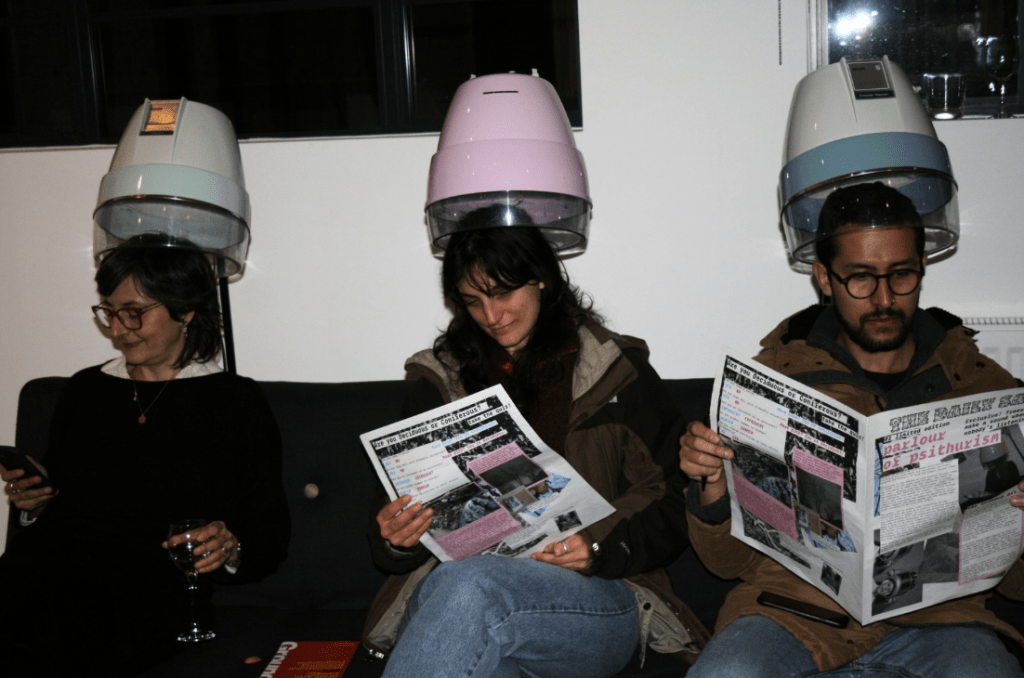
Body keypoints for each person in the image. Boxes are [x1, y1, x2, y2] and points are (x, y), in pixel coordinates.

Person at [678, 182, 1024, 677]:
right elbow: (725, 563)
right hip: (792, 611)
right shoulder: (774, 380)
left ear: (922, 268)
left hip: (941, 620)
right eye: (860, 278)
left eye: (900, 275)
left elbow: (1016, 587)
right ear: (824, 278)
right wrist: (711, 487)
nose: (884, 299)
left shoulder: (985, 386)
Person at [363, 217, 708, 678]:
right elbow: (392, 525)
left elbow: (673, 500)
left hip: (595, 595)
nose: (491, 315)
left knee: (470, 586)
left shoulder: (617, 374)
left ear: (542, 279)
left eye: (503, 292)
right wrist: (398, 538)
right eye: (473, 300)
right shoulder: (439, 383)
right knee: (470, 605)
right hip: (461, 601)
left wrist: (599, 547)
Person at [0, 235, 289, 676]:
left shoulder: (233, 401)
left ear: (185, 309)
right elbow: (59, 512)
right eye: (109, 312)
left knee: (59, 627)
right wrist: (36, 504)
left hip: (146, 588)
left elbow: (268, 536)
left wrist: (229, 545)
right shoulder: (84, 390)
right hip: (48, 570)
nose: (117, 329)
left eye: (134, 313)